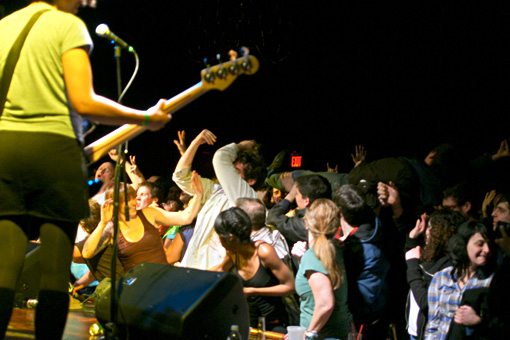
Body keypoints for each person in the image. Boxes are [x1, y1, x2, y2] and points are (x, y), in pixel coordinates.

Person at [0, 1, 170, 338]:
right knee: (53, 271)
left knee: (4, 266)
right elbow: (84, 101)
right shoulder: (65, 24)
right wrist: (145, 118)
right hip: (53, 151)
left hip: (6, 149)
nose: (85, 2)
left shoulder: (4, 25)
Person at [172, 129, 267, 269]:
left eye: (236, 171)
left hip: (215, 273)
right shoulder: (216, 191)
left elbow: (220, 158)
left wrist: (239, 147)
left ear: (251, 180)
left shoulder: (246, 197)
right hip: (191, 268)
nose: (228, 173)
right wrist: (195, 143)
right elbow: (180, 177)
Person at [82, 172, 202, 272]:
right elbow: (87, 253)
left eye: (133, 197)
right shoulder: (111, 228)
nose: (134, 202)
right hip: (139, 286)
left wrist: (198, 195)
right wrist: (103, 222)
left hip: (163, 277)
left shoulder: (148, 213)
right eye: (127, 200)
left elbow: (185, 218)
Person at [211, 207, 295, 332]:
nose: (218, 240)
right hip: (248, 323)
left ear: (231, 238)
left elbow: (290, 286)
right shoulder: (233, 252)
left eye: (220, 236)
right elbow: (220, 270)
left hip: (273, 323)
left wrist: (254, 291)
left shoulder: (264, 252)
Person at [333, 184, 390, 340]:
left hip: (363, 324)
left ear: (338, 212)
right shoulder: (350, 236)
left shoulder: (369, 249)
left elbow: (364, 298)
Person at [289, 199, 352, 340]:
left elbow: (325, 304)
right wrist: (301, 260)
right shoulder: (335, 248)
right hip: (338, 332)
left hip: (322, 336)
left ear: (307, 223)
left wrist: (307, 334)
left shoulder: (314, 256)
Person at [425, 221, 495, 340]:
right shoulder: (442, 277)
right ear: (463, 244)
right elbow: (432, 325)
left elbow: (499, 326)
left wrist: (478, 321)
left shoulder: (492, 281)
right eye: (480, 244)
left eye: (488, 244)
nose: (486, 249)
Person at [405, 209, 465, 340]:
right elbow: (411, 256)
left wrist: (412, 265)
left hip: (428, 333)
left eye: (430, 227)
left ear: (441, 233)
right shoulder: (431, 254)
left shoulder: (448, 266)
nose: (426, 231)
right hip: (414, 329)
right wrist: (412, 239)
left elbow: (426, 302)